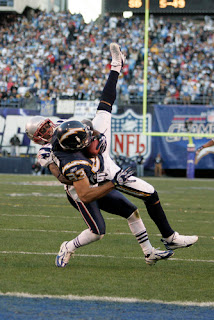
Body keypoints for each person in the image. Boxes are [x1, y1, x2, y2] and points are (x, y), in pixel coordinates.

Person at [26, 43, 198, 268]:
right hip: (81, 186)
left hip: (105, 169)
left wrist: (95, 136)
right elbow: (61, 177)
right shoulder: (46, 151)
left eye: (48, 126)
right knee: (98, 232)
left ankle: (155, 248)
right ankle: (68, 246)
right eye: (43, 132)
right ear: (38, 138)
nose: (49, 131)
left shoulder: (65, 126)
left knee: (142, 199)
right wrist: (83, 172)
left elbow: (97, 113)